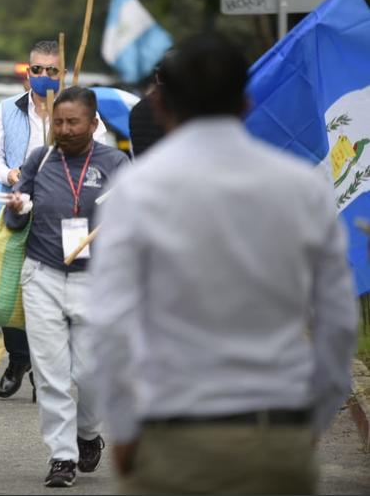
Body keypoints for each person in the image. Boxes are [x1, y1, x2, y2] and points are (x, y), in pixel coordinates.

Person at [89, 33, 358, 494]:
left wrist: (124, 428)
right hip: (276, 439)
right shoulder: (302, 188)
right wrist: (311, 422)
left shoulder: (136, 192)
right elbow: (337, 320)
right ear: (246, 103)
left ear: (161, 106)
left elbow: (112, 325)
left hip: (173, 439)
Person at [4, 86, 129, 488]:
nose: (65, 128)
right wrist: (17, 209)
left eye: (73, 122)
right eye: (58, 122)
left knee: (90, 371)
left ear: (94, 124)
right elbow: (15, 223)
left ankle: (88, 434)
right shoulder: (39, 162)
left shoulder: (116, 163)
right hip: (42, 276)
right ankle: (62, 456)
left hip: (97, 280)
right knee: (50, 374)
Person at [0, 41, 109, 399]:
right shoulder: (7, 110)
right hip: (20, 208)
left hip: (68, 217)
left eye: (51, 71)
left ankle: (47, 370)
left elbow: (98, 154)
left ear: (64, 72)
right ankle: (18, 359)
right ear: (28, 71)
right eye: (36, 70)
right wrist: (9, 174)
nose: (43, 76)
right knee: (12, 289)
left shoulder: (83, 114)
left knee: (61, 291)